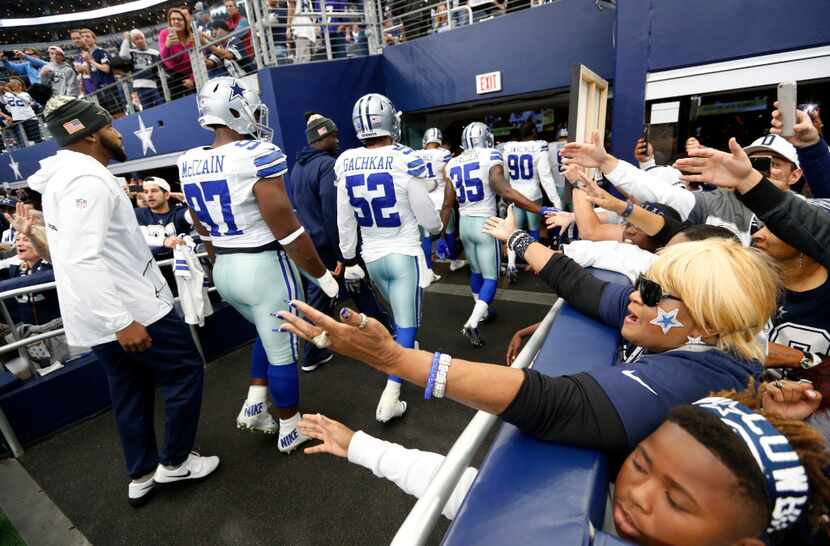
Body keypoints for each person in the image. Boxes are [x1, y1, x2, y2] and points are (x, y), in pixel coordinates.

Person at [278, 234, 779, 459]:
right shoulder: (685, 333)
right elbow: (587, 289)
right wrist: (520, 240)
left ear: (709, 324)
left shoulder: (706, 374)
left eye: (651, 293)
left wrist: (390, 358)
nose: (634, 296)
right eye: (640, 282)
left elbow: (558, 404)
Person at [294, 387, 830, 546]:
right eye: (641, 464)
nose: (638, 494)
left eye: (675, 500)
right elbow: (478, 495)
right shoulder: (605, 508)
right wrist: (361, 448)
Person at [28, 96, 219, 507]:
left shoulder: (64, 178)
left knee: (129, 388)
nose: (119, 133)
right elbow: (82, 258)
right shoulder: (87, 181)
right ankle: (177, 461)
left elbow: (71, 252)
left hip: (101, 313)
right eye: (111, 127)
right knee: (185, 371)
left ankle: (143, 472)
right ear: (92, 136)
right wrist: (121, 320)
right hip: (131, 310)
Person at [178, 77, 339, 453]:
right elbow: (288, 230)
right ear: (237, 109)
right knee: (284, 350)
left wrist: (222, 263)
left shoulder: (189, 161)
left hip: (225, 266)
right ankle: (289, 428)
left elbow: (201, 227)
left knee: (268, 334)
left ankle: (254, 402)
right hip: (263, 266)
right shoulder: (256, 154)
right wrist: (321, 275)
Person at [675, 138, 830, 373]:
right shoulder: (739, 281)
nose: (757, 235)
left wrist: (806, 362)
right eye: (756, 227)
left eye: (775, 228)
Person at [335, 93, 443, 422]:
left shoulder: (346, 161)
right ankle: (391, 396)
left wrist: (350, 256)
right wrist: (437, 227)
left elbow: (344, 216)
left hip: (372, 256)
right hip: (403, 251)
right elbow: (425, 211)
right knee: (407, 325)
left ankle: (403, 354)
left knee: (398, 318)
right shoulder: (404, 157)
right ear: (389, 122)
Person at [562, 130, 805, 243]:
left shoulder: (806, 213)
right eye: (755, 163)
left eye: (773, 164)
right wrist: (606, 162)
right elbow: (661, 193)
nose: (763, 171)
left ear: (795, 175)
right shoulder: (718, 201)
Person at [285, 112, 391, 372]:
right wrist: (345, 255)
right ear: (325, 137)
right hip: (331, 246)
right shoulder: (327, 165)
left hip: (312, 243)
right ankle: (384, 336)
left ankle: (313, 353)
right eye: (334, 135)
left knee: (327, 298)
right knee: (354, 288)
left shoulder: (298, 166)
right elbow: (333, 214)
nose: (338, 139)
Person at [440, 121, 557, 347]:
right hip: (487, 223)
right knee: (492, 277)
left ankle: (481, 311)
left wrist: (441, 234)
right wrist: (539, 208)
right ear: (487, 138)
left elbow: (446, 205)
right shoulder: (490, 155)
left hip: (464, 224)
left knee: (475, 271)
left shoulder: (453, 162)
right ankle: (473, 322)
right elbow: (504, 189)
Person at [500, 120, 562, 283]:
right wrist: (556, 202)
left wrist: (506, 195)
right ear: (534, 133)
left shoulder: (508, 148)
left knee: (513, 231)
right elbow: (546, 177)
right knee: (534, 230)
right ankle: (534, 263)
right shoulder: (538, 147)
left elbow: (505, 177)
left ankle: (511, 265)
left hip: (515, 195)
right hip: (533, 196)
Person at [413, 127, 465, 282]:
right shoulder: (444, 154)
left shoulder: (416, 154)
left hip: (424, 202)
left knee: (426, 237)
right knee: (449, 232)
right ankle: (454, 261)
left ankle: (428, 271)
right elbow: (448, 175)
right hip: (442, 201)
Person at [134, 176, 193, 261]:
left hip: (182, 267)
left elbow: (198, 215)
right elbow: (139, 236)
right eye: (146, 192)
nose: (149, 195)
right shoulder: (139, 213)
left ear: (166, 195)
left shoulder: (178, 212)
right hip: (153, 269)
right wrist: (164, 241)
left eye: (154, 191)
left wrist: (186, 199)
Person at [80, 29, 126, 118]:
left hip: (108, 87)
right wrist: (88, 62)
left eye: (88, 36)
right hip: (99, 89)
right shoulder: (89, 54)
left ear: (94, 39)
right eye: (83, 37)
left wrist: (90, 60)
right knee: (108, 116)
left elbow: (106, 69)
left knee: (118, 113)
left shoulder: (100, 51)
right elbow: (91, 74)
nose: (85, 39)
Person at [119, 29, 163, 110]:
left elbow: (160, 68)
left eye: (141, 38)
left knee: (161, 105)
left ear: (144, 39)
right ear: (133, 42)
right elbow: (122, 54)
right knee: (147, 109)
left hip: (154, 84)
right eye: (136, 39)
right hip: (139, 86)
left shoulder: (155, 52)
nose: (139, 40)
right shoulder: (132, 52)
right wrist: (126, 39)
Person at [159, 8, 196, 99]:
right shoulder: (165, 34)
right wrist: (167, 45)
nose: (176, 21)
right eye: (173, 19)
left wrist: (192, 79)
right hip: (175, 77)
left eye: (179, 19)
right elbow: (164, 57)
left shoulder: (193, 35)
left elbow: (200, 57)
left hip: (195, 73)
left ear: (185, 21)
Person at [1, 79, 42, 147]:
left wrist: (11, 91)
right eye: (12, 84)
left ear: (19, 86)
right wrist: (1, 93)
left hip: (29, 118)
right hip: (17, 120)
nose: (12, 85)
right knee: (22, 140)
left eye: (14, 84)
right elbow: (3, 101)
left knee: (36, 138)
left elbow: (26, 101)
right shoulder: (8, 95)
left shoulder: (25, 94)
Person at [71, 29, 95, 97]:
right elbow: (81, 74)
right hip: (87, 91)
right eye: (73, 38)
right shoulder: (78, 56)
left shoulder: (94, 51)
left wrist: (85, 69)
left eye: (78, 38)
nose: (76, 40)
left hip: (99, 89)